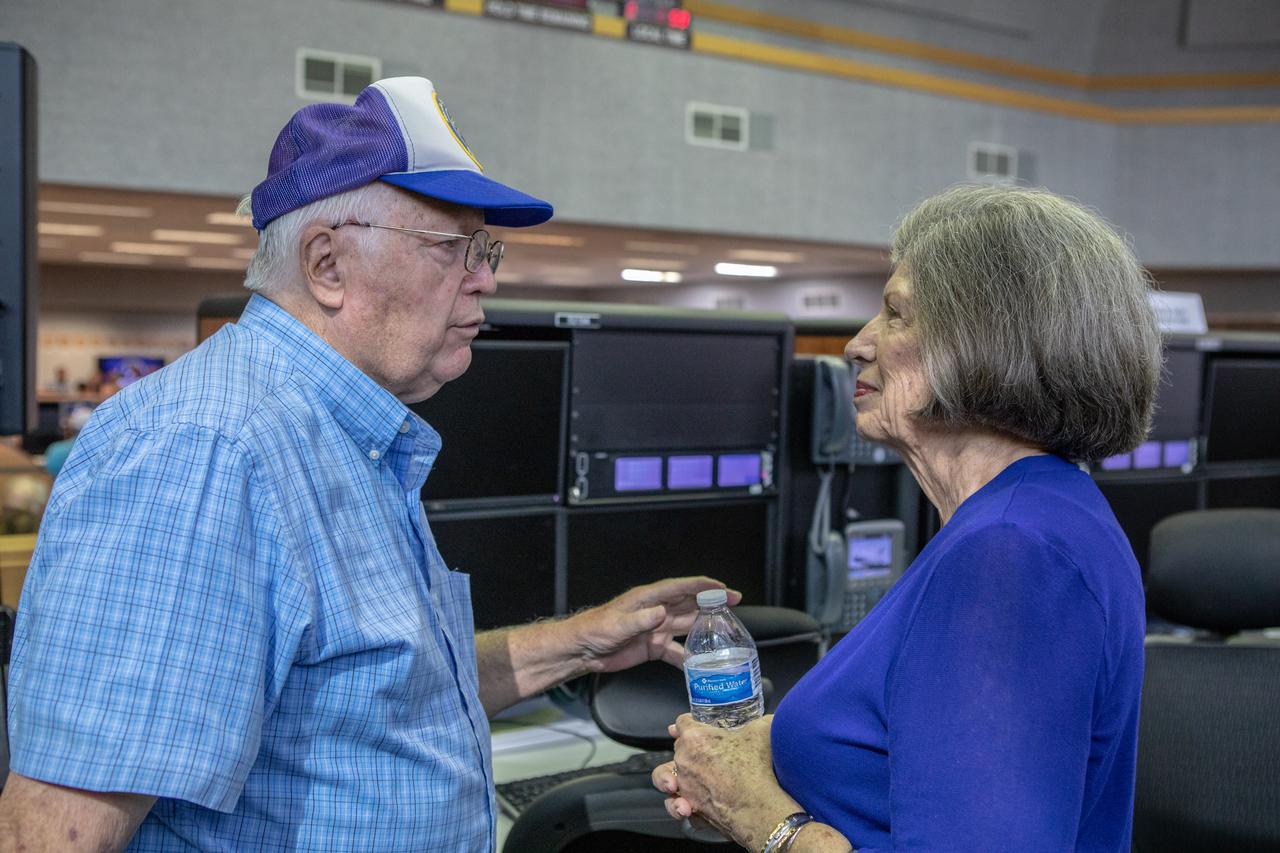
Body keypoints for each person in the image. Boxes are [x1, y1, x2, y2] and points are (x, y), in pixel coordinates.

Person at [0, 76, 739, 852]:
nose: (485, 276)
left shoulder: (341, 436)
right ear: (326, 265)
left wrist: (584, 639)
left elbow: (391, 692)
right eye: (455, 248)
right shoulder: (207, 447)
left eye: (485, 250)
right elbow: (56, 832)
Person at [652, 184, 1161, 852]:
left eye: (895, 314)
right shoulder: (1036, 510)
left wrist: (761, 818)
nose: (857, 345)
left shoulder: (1007, 550)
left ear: (986, 341)